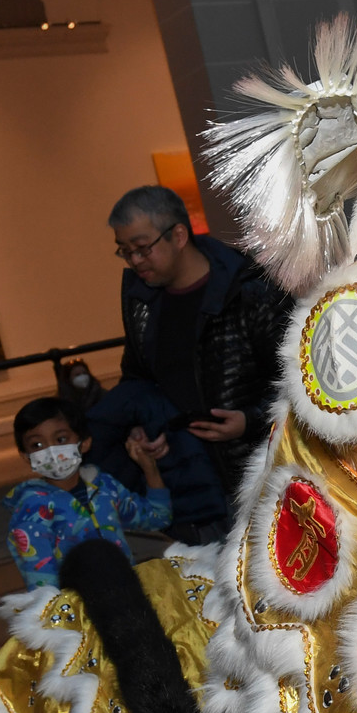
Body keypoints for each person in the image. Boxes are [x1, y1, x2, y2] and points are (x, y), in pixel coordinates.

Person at [103, 185, 289, 541]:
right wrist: (142, 428)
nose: (135, 261)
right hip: (191, 482)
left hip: (262, 475)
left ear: (178, 235)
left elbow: (298, 381)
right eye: (125, 252)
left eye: (142, 249)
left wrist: (249, 421)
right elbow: (137, 379)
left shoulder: (250, 288)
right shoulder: (141, 299)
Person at [5, 396, 171, 588]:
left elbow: (159, 517)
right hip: (81, 611)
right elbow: (42, 585)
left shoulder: (105, 487)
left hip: (127, 595)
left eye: (61, 439)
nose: (51, 450)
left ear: (84, 443)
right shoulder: (32, 509)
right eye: (37, 445)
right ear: (26, 456)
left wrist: (149, 467)